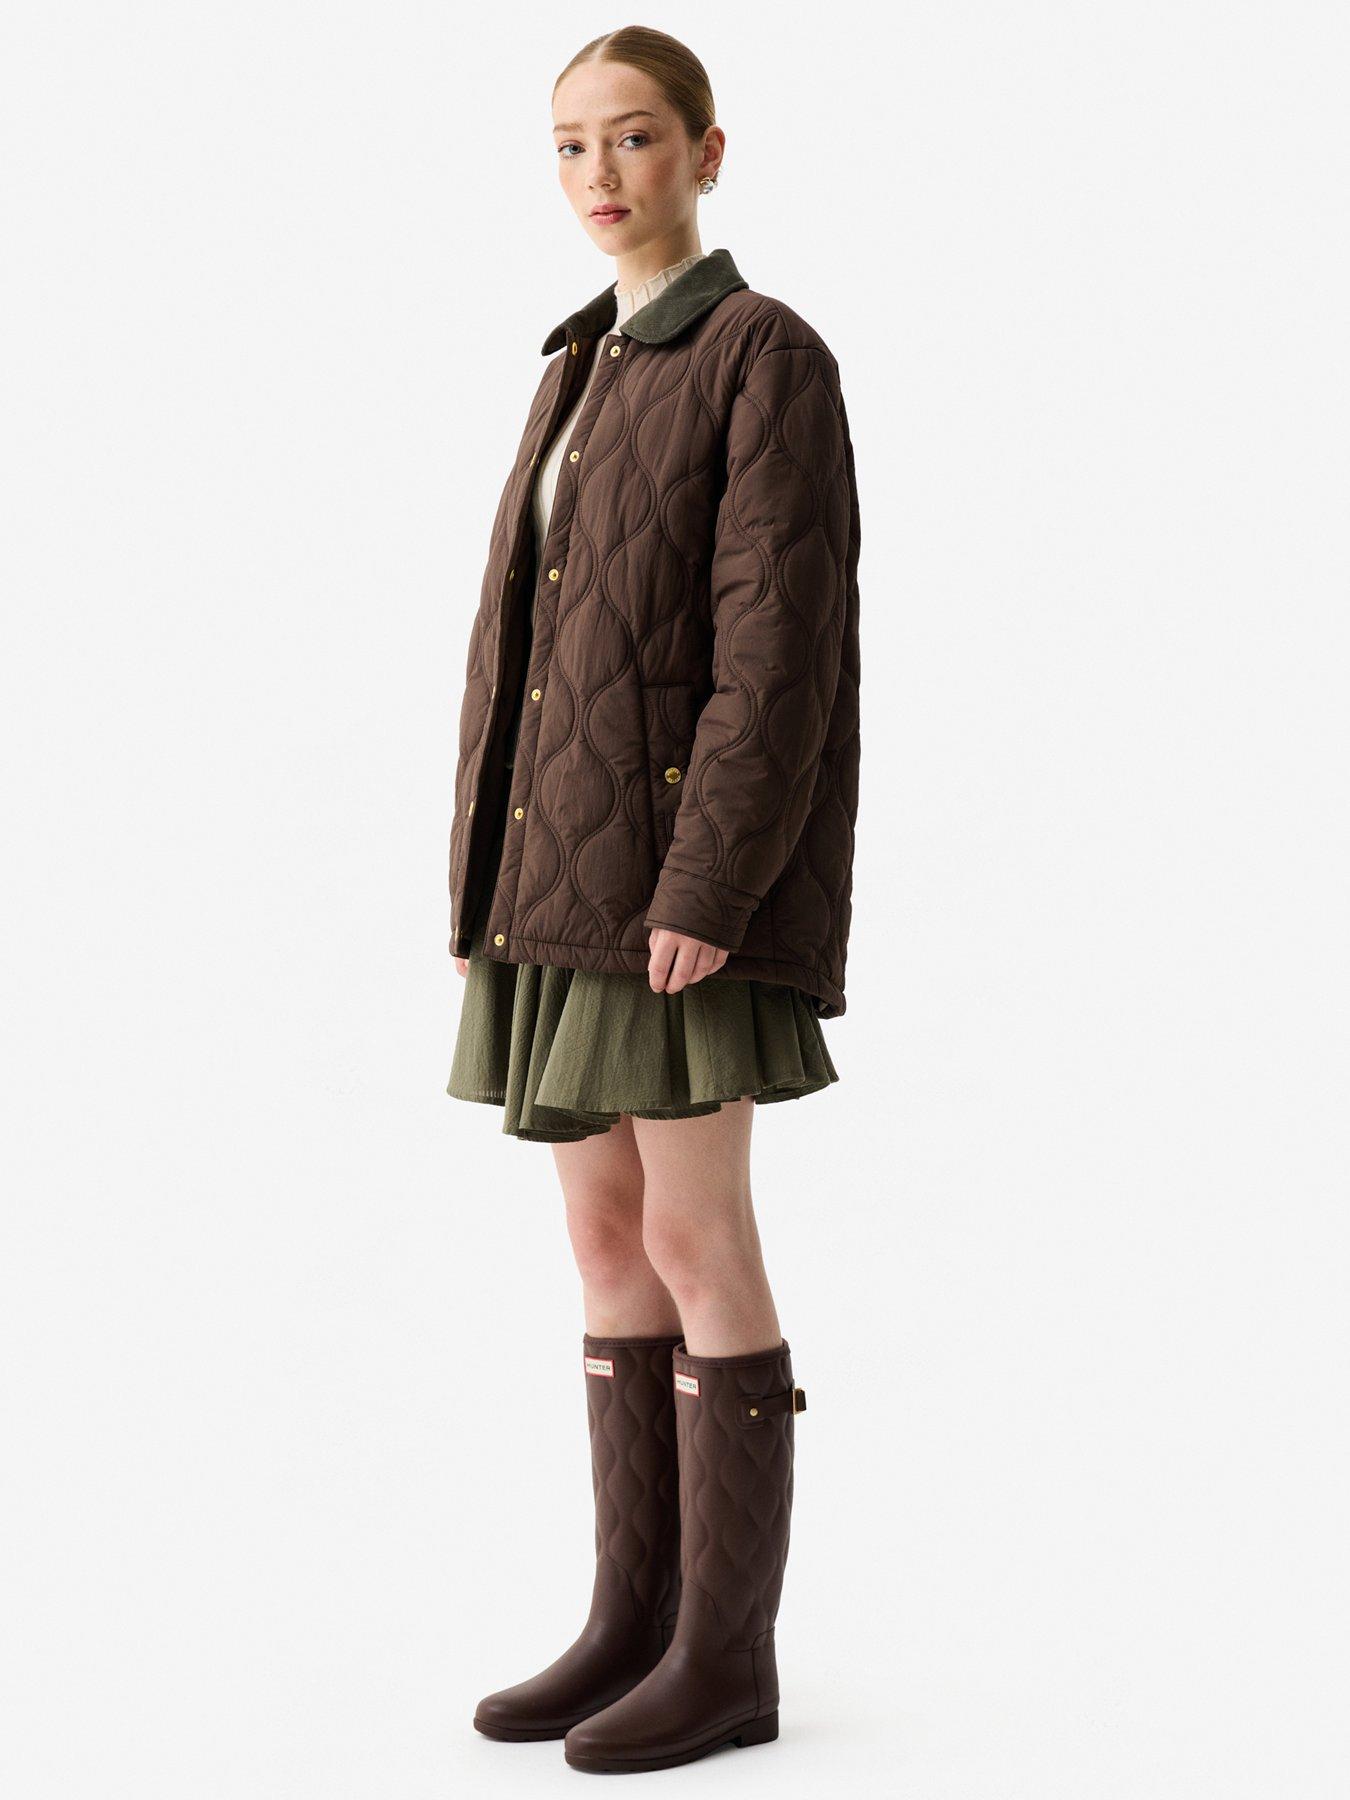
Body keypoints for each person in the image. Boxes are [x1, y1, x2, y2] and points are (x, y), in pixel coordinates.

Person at [444, 25, 861, 1775]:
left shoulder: (764, 355)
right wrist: (487, 881)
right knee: (604, 1241)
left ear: (705, 149)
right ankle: (632, 1621)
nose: (598, 174)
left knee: (697, 1239)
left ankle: (724, 1660)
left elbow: (779, 652)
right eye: (568, 145)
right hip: (559, 880)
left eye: (630, 137)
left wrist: (710, 878)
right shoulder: (576, 365)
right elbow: (532, 654)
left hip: (677, 886)